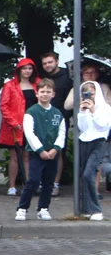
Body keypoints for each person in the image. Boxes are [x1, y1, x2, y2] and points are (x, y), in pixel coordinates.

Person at [15, 80, 65, 221]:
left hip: (52, 154)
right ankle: (22, 208)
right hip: (37, 154)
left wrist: (55, 149)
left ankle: (43, 208)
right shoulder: (31, 112)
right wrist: (41, 150)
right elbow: (29, 134)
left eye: (48, 92)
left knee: (49, 182)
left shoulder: (57, 113)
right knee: (33, 181)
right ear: (37, 93)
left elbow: (61, 133)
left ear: (53, 94)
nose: (45, 94)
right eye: (42, 91)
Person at [0, 58, 39, 196]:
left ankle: (28, 184)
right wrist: (13, 122)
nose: (27, 71)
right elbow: (4, 106)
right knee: (15, 156)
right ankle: (12, 186)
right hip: (15, 126)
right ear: (19, 70)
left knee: (28, 156)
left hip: (31, 124)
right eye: (24, 68)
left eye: (30, 68)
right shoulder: (10, 85)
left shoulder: (37, 84)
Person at [75, 80, 111, 220]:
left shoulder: (105, 108)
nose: (90, 96)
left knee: (89, 174)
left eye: (92, 93)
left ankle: (96, 209)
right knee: (83, 174)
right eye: (86, 93)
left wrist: (94, 110)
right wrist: (83, 112)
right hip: (84, 141)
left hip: (99, 142)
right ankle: (86, 209)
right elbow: (82, 127)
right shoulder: (82, 107)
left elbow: (103, 126)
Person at [39, 52, 73, 197]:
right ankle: (43, 182)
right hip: (42, 118)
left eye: (50, 62)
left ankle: (55, 184)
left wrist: (66, 117)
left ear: (57, 61)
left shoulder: (68, 77)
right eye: (45, 63)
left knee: (58, 151)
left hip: (61, 119)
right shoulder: (42, 78)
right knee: (41, 150)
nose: (48, 65)